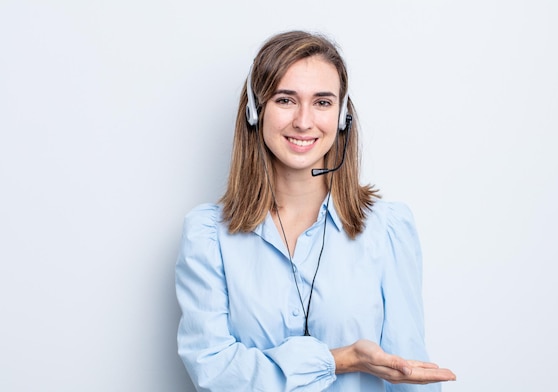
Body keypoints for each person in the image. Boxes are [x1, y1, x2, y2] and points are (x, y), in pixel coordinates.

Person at [175, 30, 456, 391]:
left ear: (341, 117)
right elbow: (214, 372)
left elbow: (408, 374)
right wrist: (342, 359)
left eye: (322, 102)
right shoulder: (207, 234)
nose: (304, 121)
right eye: (285, 100)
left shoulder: (388, 229)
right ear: (254, 111)